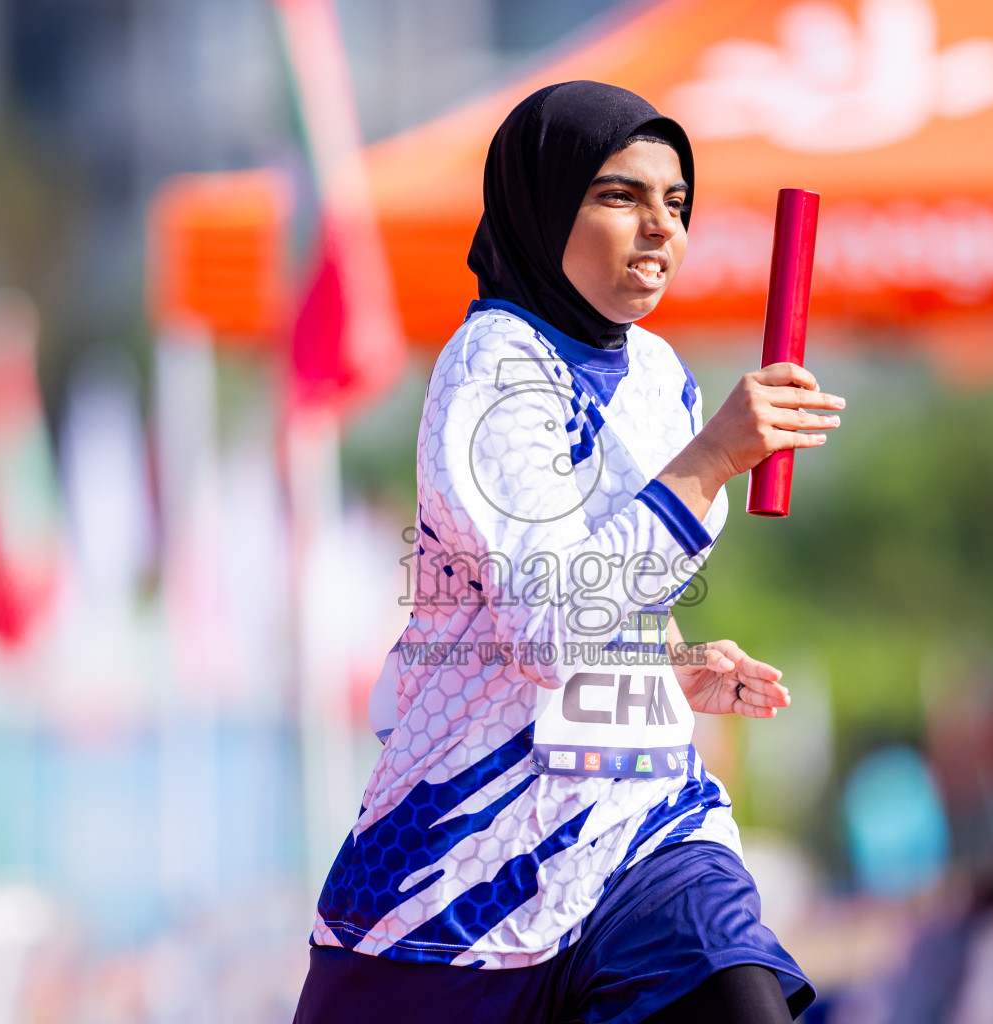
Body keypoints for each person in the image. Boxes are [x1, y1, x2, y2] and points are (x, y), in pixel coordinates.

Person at [295, 80, 843, 1024]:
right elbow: (552, 629)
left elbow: (616, 606)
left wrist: (671, 665)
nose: (660, 228)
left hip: (644, 829)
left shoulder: (660, 374)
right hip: (466, 869)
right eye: (619, 195)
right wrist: (714, 458)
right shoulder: (493, 370)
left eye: (676, 203)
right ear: (543, 204)